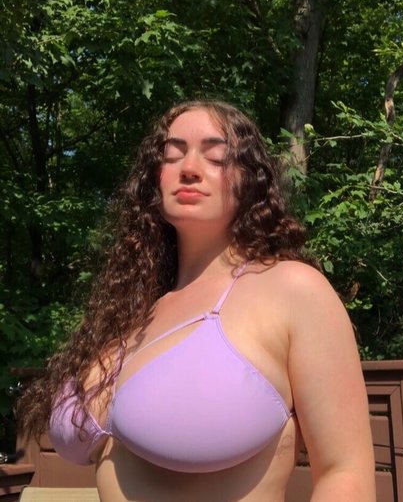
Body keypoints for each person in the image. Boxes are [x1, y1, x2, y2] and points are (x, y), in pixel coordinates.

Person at [18, 100, 376, 501]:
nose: (188, 168)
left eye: (216, 156)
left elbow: (345, 475)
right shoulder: (133, 309)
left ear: (251, 180)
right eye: (172, 155)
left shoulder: (293, 289)